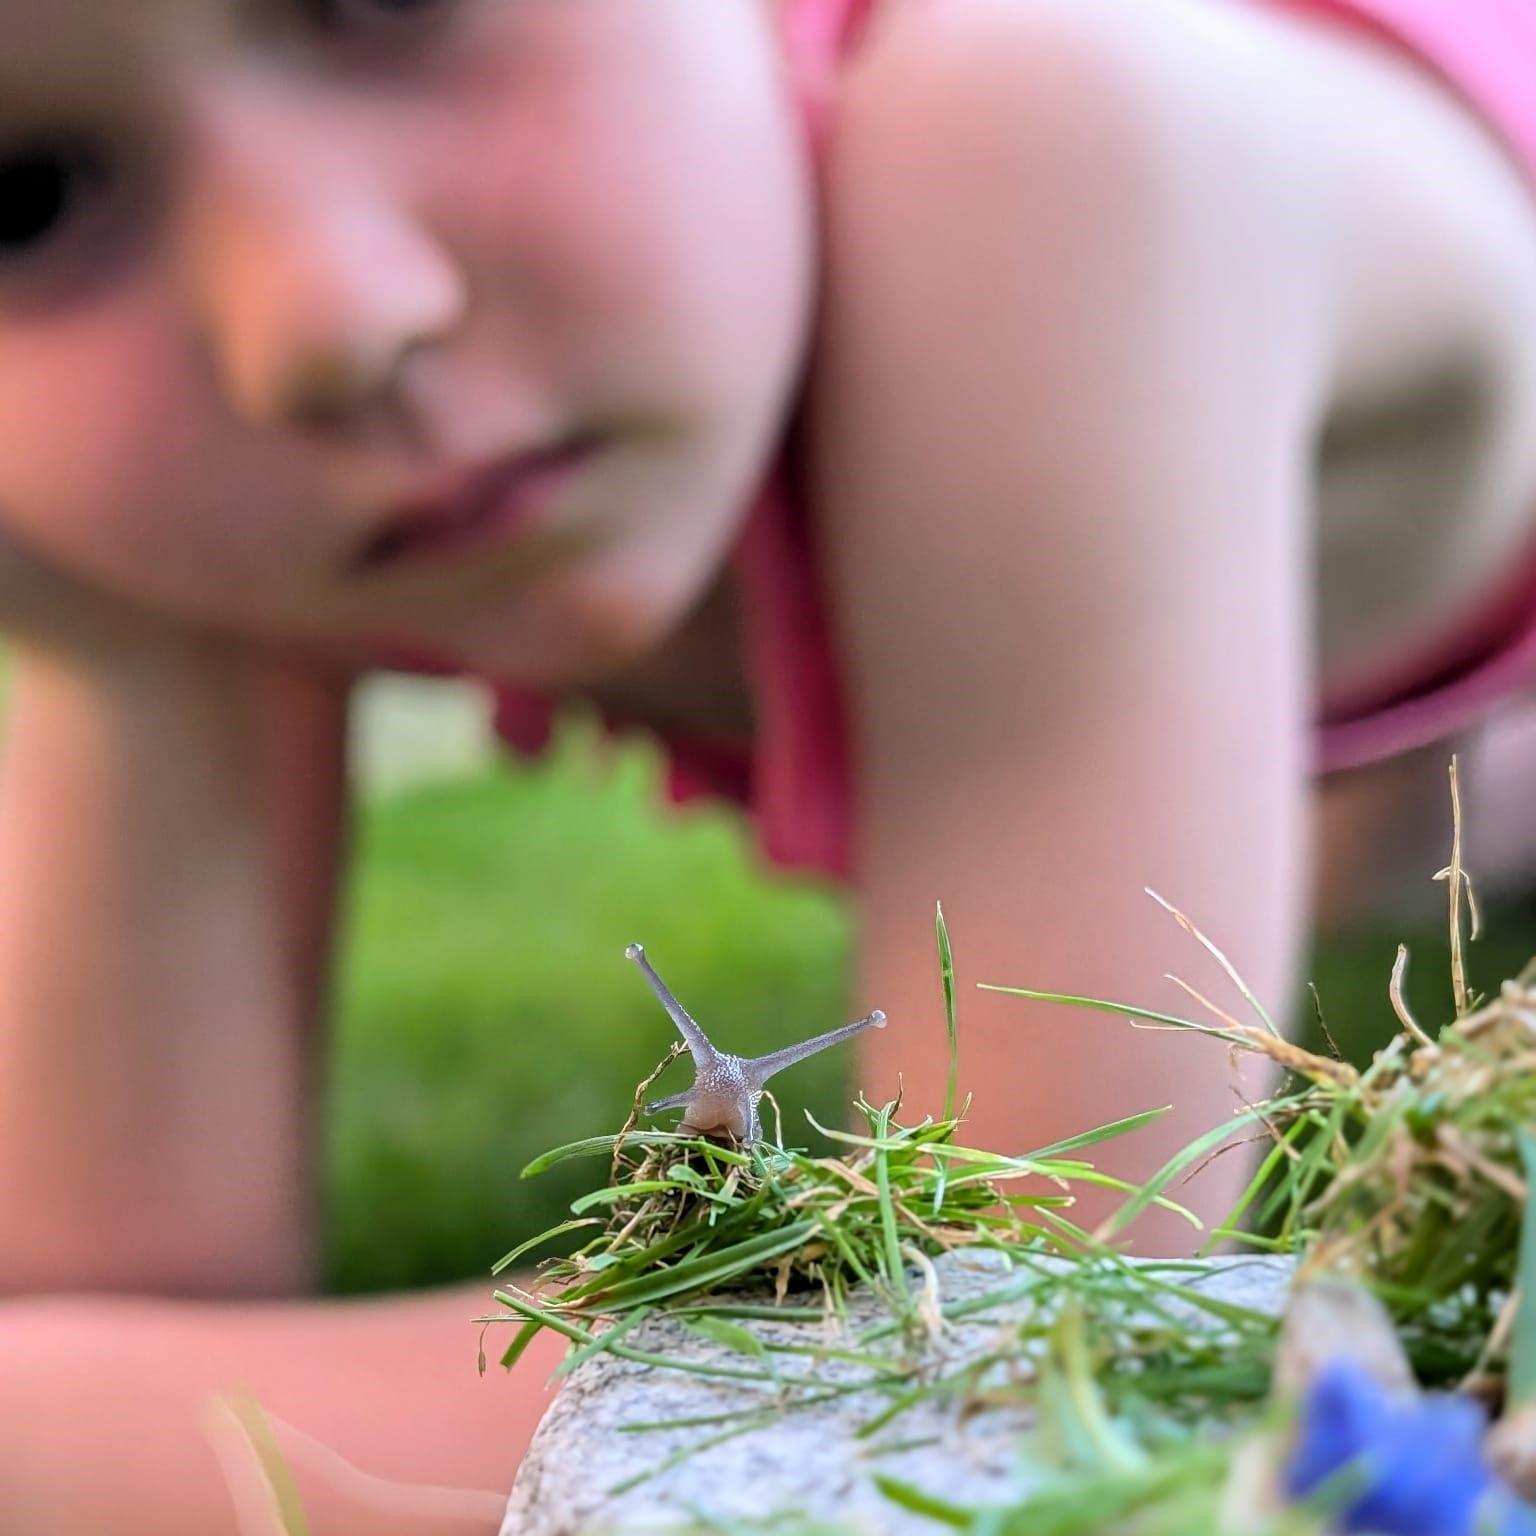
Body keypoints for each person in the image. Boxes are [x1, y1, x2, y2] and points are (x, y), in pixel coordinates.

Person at [1, 0, 1535, 1529]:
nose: (325, 318)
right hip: (1334, 694)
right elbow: (116, 1298)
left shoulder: (1051, 136)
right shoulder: (216, 461)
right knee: (1415, 833)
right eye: (32, 196)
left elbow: (1008, 1333)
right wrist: (103, 625)